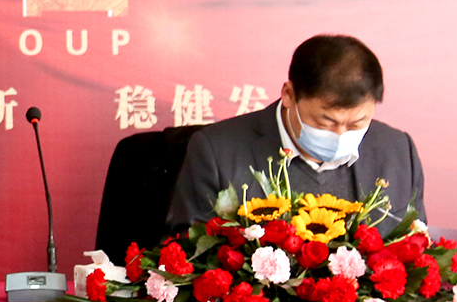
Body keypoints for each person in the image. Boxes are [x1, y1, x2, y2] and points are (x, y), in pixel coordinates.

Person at [167, 34, 425, 227]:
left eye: (356, 124)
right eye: (325, 122)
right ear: (289, 94)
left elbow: (416, 249)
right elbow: (188, 255)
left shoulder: (398, 152)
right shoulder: (218, 152)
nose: (340, 135)